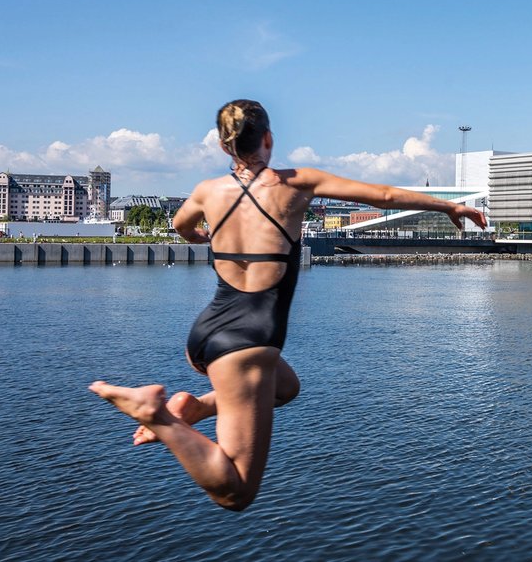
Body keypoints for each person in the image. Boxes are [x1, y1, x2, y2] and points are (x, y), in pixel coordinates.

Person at [90, 99, 486, 511]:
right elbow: (384, 196)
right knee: (236, 491)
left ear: (226, 147)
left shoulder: (208, 191)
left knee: (286, 388)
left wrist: (200, 238)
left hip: (206, 332)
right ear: (268, 139)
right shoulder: (295, 184)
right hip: (247, 344)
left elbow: (180, 225)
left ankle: (193, 408)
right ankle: (158, 415)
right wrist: (450, 205)